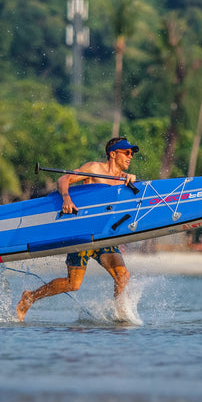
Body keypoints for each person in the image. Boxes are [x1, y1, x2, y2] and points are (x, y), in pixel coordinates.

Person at [15, 137, 139, 321]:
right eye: (127, 152)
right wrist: (66, 199)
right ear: (113, 154)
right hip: (82, 232)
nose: (130, 157)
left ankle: (120, 315)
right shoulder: (94, 169)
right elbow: (63, 179)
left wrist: (132, 182)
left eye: (132, 153)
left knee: (123, 276)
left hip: (102, 235)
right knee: (72, 284)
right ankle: (30, 297)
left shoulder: (123, 180)